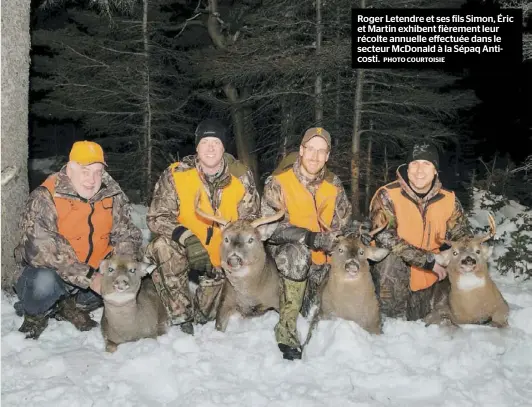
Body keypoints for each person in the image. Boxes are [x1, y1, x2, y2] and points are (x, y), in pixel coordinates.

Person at [14, 141, 143, 339]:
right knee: (43, 284)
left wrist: (121, 267)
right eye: (84, 171)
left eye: (97, 172)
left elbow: (126, 233)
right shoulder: (45, 195)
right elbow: (41, 247)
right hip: (58, 274)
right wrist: (90, 278)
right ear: (70, 168)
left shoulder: (111, 193)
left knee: (124, 282)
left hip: (92, 274)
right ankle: (36, 315)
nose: (91, 179)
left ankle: (68, 306)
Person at [145, 119, 260, 335]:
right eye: (205, 142)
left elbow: (250, 221)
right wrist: (187, 238)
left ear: (224, 147)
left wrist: (228, 255)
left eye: (215, 142)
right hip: (184, 247)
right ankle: (180, 315)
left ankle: (202, 308)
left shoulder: (241, 177)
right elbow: (156, 216)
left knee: (206, 316)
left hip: (221, 256)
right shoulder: (176, 174)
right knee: (162, 246)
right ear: (196, 146)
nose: (210, 148)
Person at [260, 127, 352, 360]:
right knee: (297, 253)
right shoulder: (278, 182)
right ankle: (287, 330)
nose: (315, 156)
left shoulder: (334, 186)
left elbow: (342, 226)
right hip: (287, 260)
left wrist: (335, 242)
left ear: (328, 156)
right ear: (301, 150)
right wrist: (310, 237)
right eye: (311, 149)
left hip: (322, 262)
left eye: (321, 151)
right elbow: (269, 229)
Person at [369, 142, 472, 321]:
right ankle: (391, 318)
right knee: (389, 257)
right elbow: (384, 236)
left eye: (426, 164)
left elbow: (462, 235)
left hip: (432, 278)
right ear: (407, 170)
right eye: (414, 164)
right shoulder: (387, 195)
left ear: (435, 171)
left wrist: (460, 252)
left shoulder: (449, 200)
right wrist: (427, 261)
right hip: (395, 278)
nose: (419, 170)